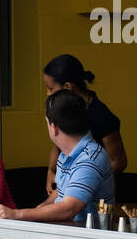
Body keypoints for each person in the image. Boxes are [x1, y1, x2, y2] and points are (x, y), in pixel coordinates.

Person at [0, 90, 113, 226]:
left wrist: (17, 214)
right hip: (68, 238)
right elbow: (62, 192)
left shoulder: (90, 159)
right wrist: (39, 209)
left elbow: (68, 208)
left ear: (53, 127)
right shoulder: (67, 153)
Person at [42, 55, 126, 196]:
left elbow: (119, 161)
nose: (47, 93)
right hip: (65, 185)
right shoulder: (63, 108)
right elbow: (58, 143)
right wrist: (51, 171)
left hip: (93, 194)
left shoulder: (101, 117)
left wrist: (84, 179)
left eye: (50, 88)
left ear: (68, 87)